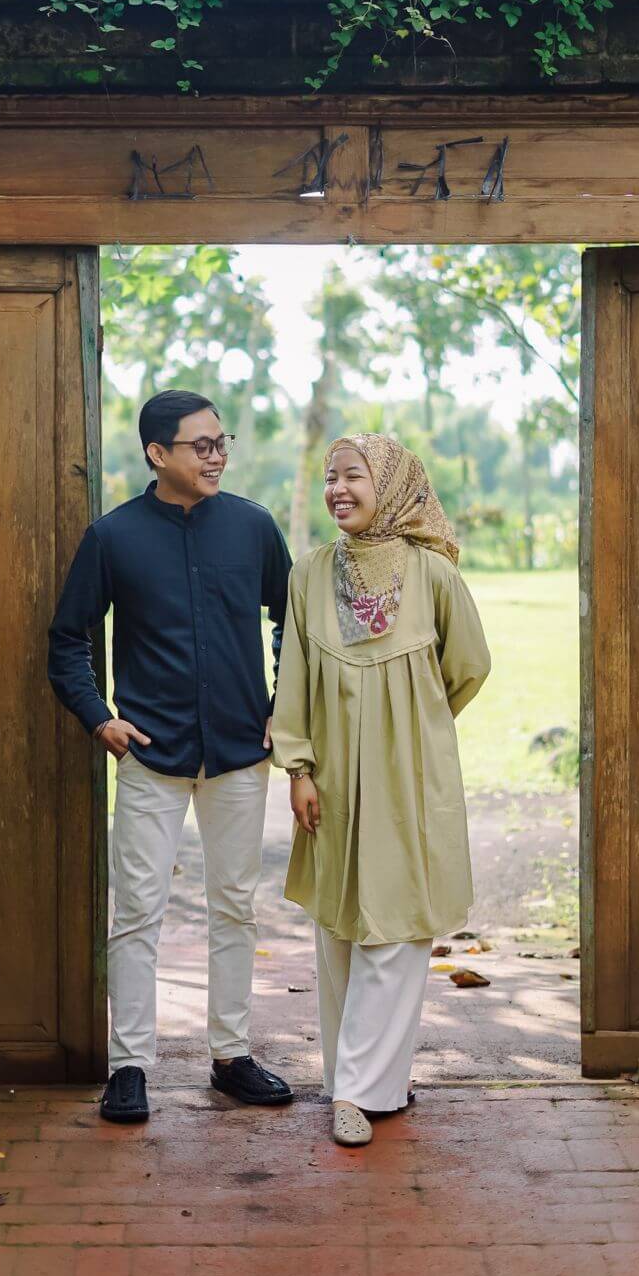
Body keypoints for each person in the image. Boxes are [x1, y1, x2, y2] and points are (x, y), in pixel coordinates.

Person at [49, 389, 295, 1124]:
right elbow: (67, 638)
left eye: (222, 443)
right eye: (202, 445)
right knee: (137, 913)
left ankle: (232, 1056)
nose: (217, 456)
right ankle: (129, 1067)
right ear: (158, 453)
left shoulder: (254, 527)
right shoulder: (112, 537)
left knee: (235, 908)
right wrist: (99, 718)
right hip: (151, 756)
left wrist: (282, 703)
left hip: (239, 753)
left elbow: (293, 621)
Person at [271, 433, 490, 1147]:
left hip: (409, 776)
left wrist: (414, 726)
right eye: (330, 477)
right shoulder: (309, 574)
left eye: (354, 476)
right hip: (330, 775)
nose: (338, 489)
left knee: (397, 926)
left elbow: (468, 665)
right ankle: (364, 1083)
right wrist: (298, 767)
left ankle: (356, 1094)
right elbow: (294, 676)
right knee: (339, 924)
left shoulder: (433, 574)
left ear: (391, 486)